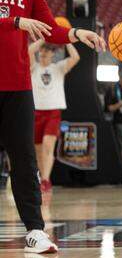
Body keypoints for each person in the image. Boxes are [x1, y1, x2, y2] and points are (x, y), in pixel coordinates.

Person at [0, 0, 107, 253]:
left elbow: (48, 27)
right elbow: (22, 23)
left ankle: (35, 231)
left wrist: (77, 33)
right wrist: (15, 21)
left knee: (25, 161)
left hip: (17, 85)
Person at [29, 40, 79, 192]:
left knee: (47, 145)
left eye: (47, 50)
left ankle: (45, 180)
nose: (43, 52)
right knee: (38, 150)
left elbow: (75, 57)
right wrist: (44, 38)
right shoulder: (33, 67)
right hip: (36, 112)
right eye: (42, 50)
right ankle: (41, 178)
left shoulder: (58, 68)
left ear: (53, 53)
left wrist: (66, 40)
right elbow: (28, 51)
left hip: (53, 112)